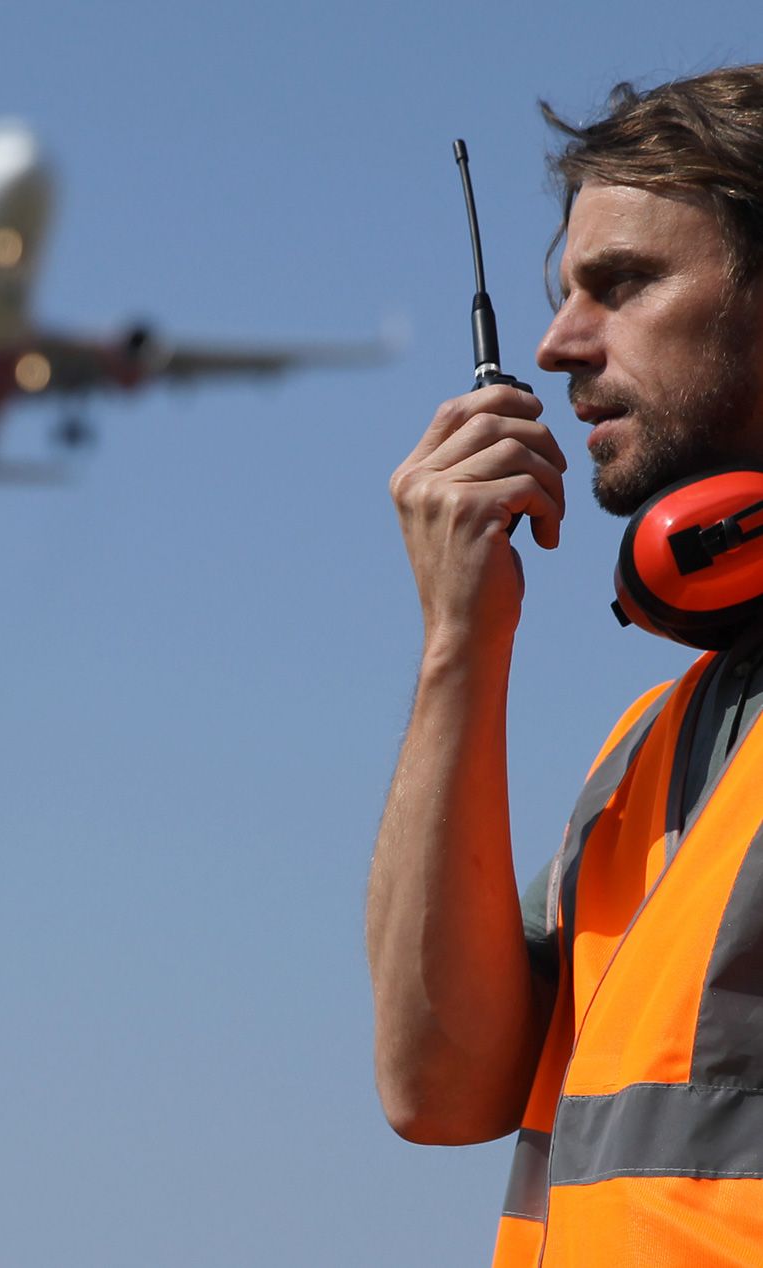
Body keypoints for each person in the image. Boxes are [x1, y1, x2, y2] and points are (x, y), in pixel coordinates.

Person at [366, 65, 763, 1266]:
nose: (554, 345)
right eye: (559, 294)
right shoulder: (648, 748)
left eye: (625, 283)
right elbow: (438, 1086)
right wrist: (459, 645)